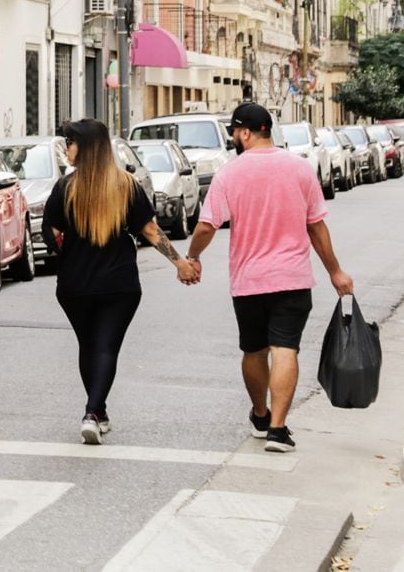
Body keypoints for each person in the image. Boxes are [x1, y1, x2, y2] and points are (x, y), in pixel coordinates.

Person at [185, 102, 354, 454]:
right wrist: (335, 271)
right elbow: (316, 227)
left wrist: (193, 257)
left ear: (246, 133)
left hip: (249, 281)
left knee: (254, 350)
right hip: (292, 279)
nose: (233, 138)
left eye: (234, 132)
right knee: (285, 349)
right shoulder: (300, 168)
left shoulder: (229, 174)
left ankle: (261, 416)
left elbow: (206, 226)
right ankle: (278, 430)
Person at [42, 118, 199, 445]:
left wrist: (68, 252)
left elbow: (51, 232)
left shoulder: (65, 188)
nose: (66, 148)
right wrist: (180, 263)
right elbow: (150, 230)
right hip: (119, 283)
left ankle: (96, 411)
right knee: (106, 347)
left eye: (70, 142)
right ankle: (94, 412)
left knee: (88, 345)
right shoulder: (127, 185)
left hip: (75, 284)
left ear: (85, 147)